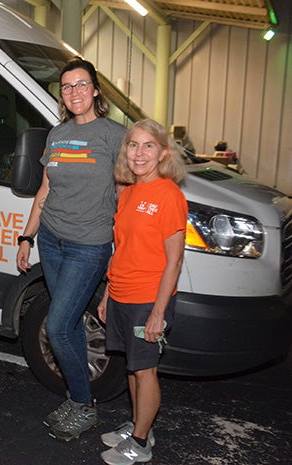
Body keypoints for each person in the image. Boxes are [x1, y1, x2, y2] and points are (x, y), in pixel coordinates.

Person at [15, 57, 126, 441]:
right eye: (67, 87)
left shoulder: (114, 135)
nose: (74, 92)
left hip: (88, 245)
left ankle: (83, 404)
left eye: (82, 85)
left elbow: (126, 199)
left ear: (96, 90)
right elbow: (44, 190)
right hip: (51, 241)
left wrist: (121, 256)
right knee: (71, 323)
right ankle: (79, 400)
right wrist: (27, 238)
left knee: (58, 327)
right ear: (61, 95)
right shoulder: (56, 135)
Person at [97, 119, 187, 465]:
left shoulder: (169, 195)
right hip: (121, 293)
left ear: (163, 152)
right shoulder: (129, 193)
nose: (139, 153)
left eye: (148, 145)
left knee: (146, 370)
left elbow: (174, 260)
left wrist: (158, 312)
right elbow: (122, 248)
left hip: (148, 297)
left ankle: (140, 443)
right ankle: (139, 425)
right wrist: (108, 293)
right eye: (133, 145)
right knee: (133, 369)